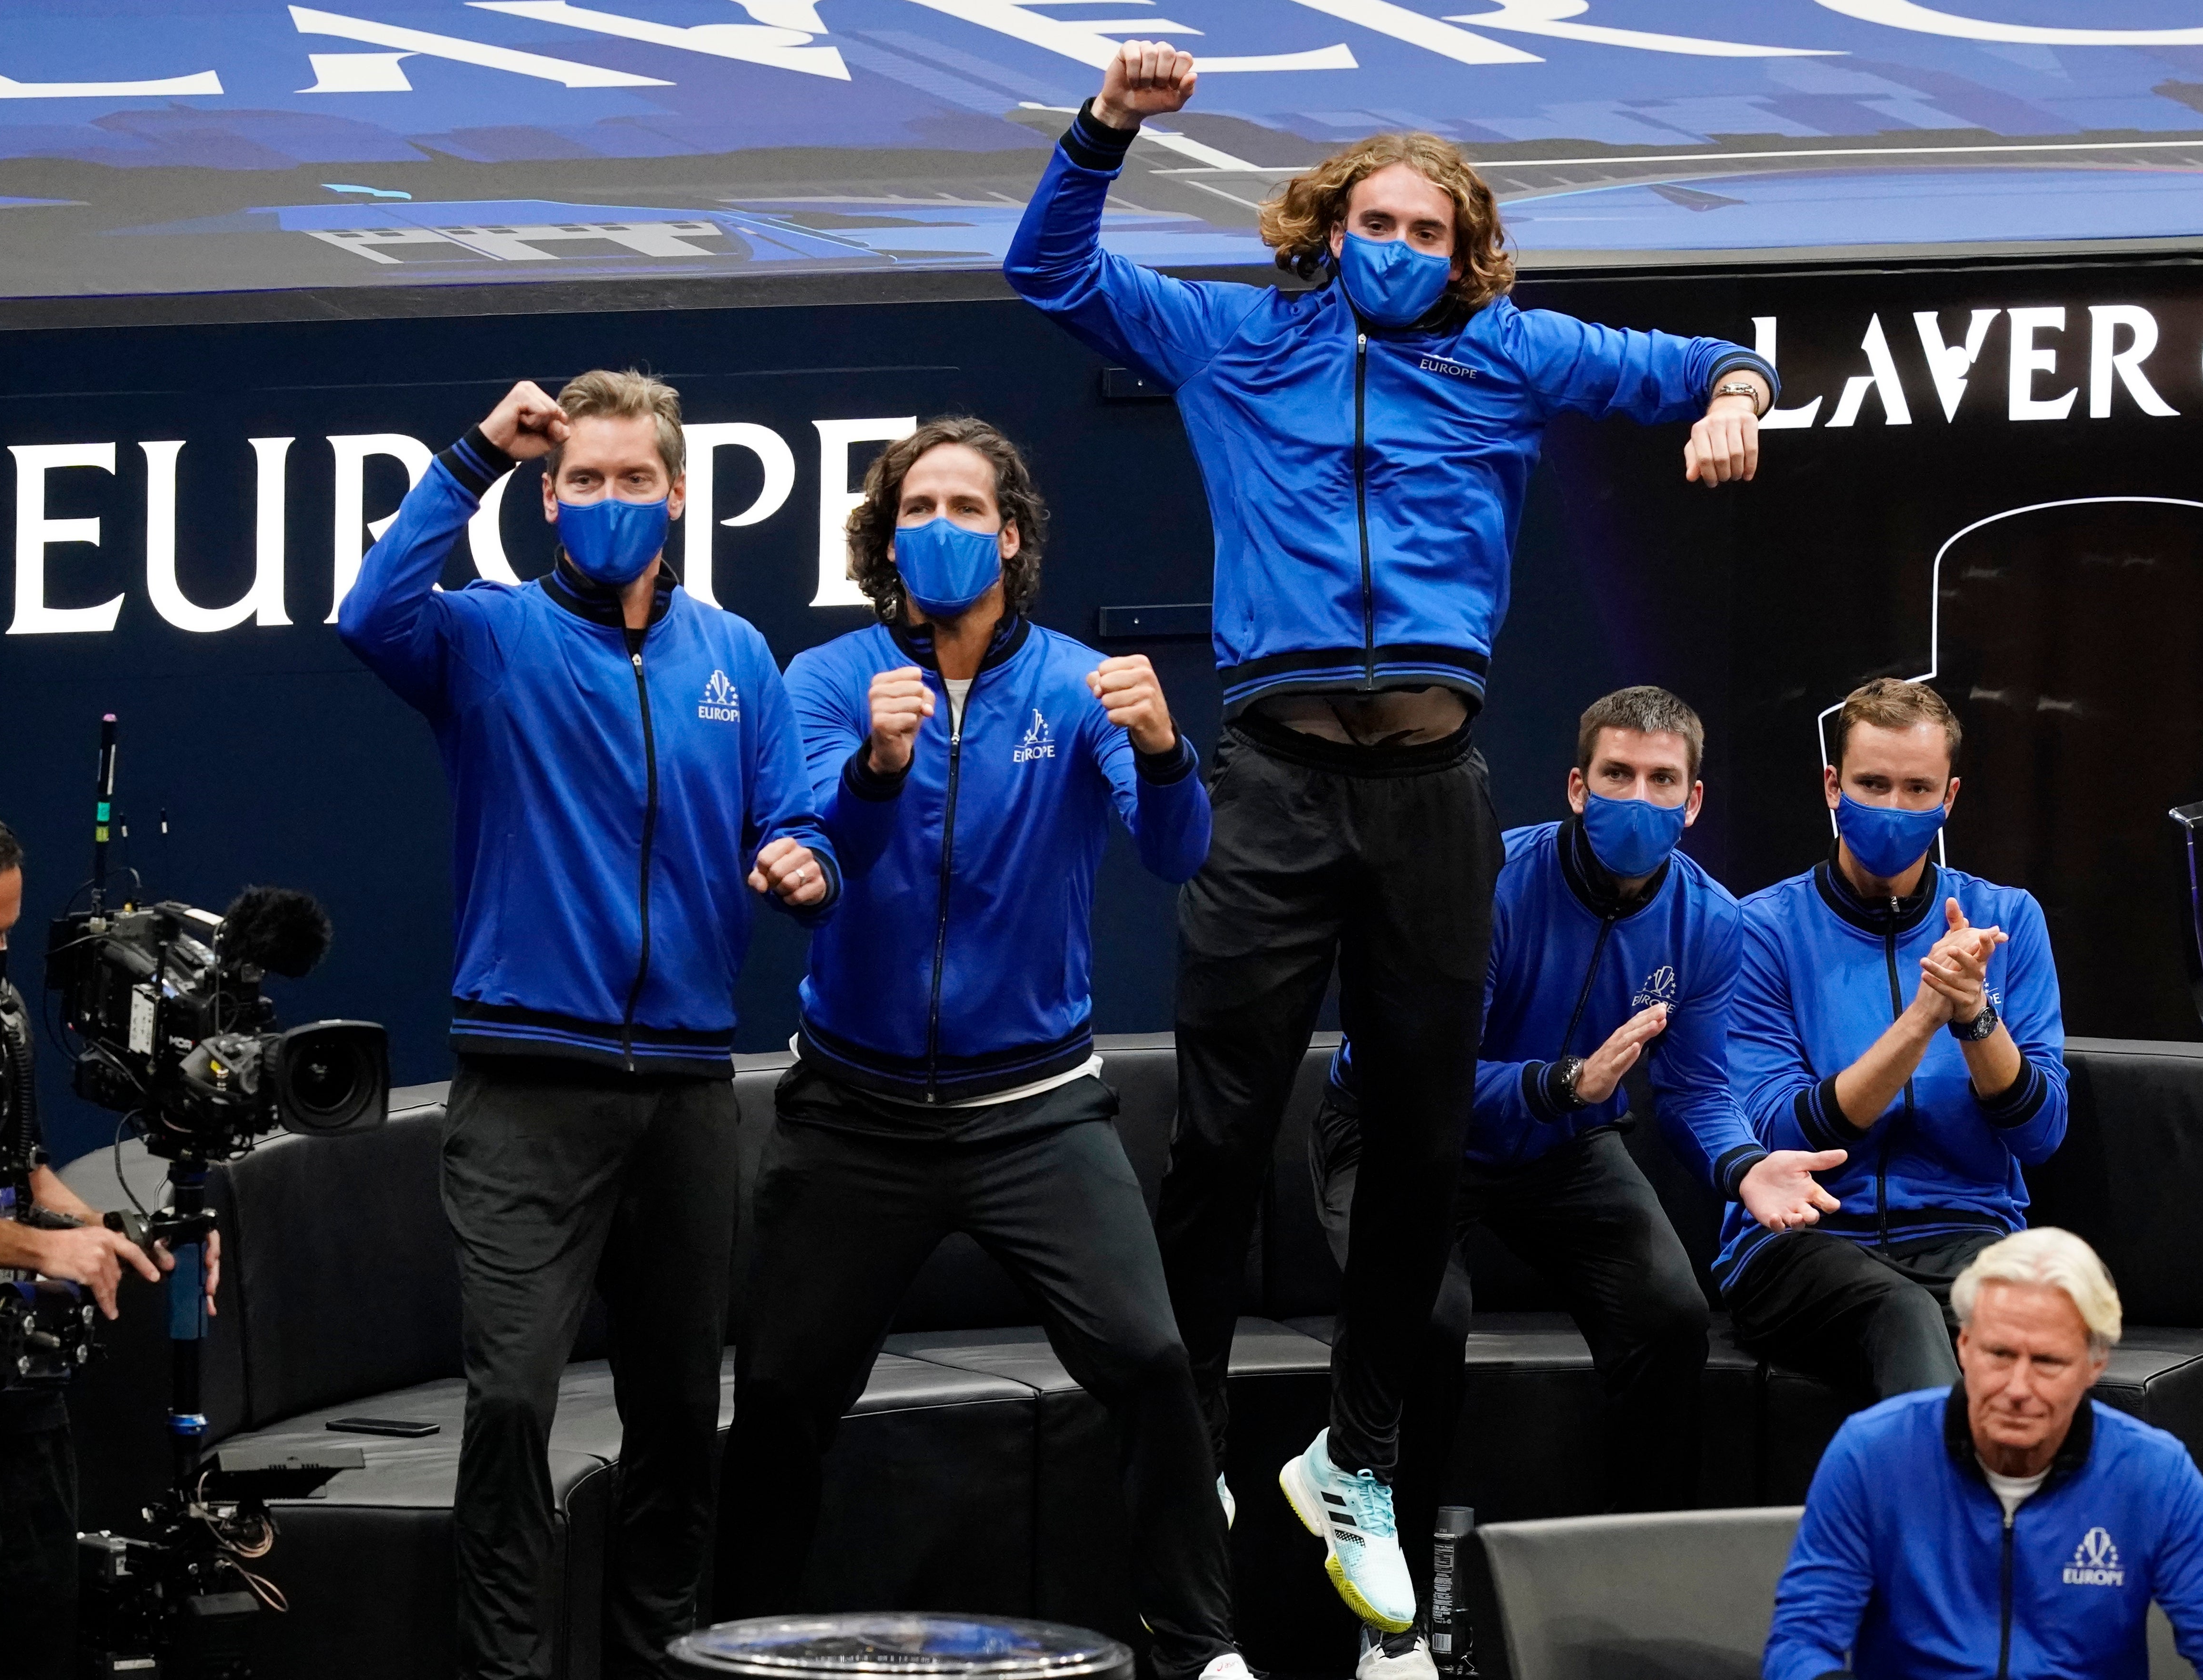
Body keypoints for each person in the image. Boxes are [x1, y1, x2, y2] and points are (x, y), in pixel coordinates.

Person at [1005, 41, 1779, 1632]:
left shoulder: (1504, 353)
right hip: (1272, 787)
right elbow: (1049, 268)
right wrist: (1103, 131)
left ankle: (1354, 1457)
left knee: (1425, 1140)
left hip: (1431, 791)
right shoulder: (1236, 337)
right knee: (1218, 1140)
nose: (1404, 249)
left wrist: (1736, 396)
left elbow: (1694, 357)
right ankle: (1187, 1435)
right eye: (1379, 221)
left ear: (1466, 252)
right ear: (1324, 226)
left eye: (1433, 232)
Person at [714, 418, 1245, 1680]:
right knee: (781, 1395)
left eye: (964, 508)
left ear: (1011, 534)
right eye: (915, 509)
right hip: (855, 1108)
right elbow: (813, 860)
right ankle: (726, 1644)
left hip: (1035, 1110)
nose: (938, 530)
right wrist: (877, 771)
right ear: (885, 538)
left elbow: (1177, 853)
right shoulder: (829, 679)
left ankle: (1201, 1643)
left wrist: (1167, 751)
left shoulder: (1075, 683)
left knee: (1152, 1356)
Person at [337, 373, 833, 1680]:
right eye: (587, 480)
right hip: (522, 1092)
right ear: (550, 497)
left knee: (678, 1417)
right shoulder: (487, 636)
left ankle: (656, 1660)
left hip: (682, 1095)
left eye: (636, 479)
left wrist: (803, 858)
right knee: (509, 1402)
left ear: (676, 494)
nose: (612, 501)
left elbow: (796, 816)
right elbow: (365, 614)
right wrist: (472, 457)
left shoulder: (735, 654)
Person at [1309, 688, 1845, 1680]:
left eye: (1660, 781)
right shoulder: (1490, 882)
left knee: (1669, 1311)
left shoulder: (1707, 922)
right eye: (1615, 776)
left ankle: (1629, 1602)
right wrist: (1564, 1082)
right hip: (1400, 1137)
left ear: (1692, 802)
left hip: (1562, 1146)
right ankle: (1394, 1627)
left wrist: (1741, 1162)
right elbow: (1416, 1076)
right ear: (1574, 786)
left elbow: (1696, 1087)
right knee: (1425, 1318)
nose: (1635, 798)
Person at [1722, 679, 2065, 1404]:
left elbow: (2041, 1133)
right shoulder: (1760, 930)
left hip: (1969, 1233)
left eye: (1918, 789)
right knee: (1904, 1312)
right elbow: (1781, 1128)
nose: (1895, 808)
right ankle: (1936, 1516)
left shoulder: (2008, 918)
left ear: (1951, 797)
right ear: (1832, 785)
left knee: (2036, 1331)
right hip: (1802, 1241)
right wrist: (1922, 1019)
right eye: (1873, 784)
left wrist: (1974, 1013)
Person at [1765, 1227, 2203, 1679]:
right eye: (1998, 1354)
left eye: (2046, 1362)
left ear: (2093, 1364)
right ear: (1964, 1345)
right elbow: (1799, 1643)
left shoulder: (2153, 1472)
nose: (2017, 1387)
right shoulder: (1872, 1452)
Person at [0, 818, 219, 1679]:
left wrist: (106, 1232)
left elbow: (29, 1169)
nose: (3, 950)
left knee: (40, 1617)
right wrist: (31, 1249)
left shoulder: (5, 1014)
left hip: (22, 1389)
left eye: (9, 931)